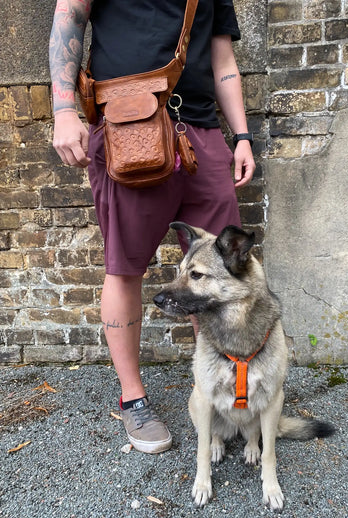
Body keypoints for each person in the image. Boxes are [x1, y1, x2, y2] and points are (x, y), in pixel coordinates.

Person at [49, 0, 256, 454]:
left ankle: (216, 392)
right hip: (128, 126)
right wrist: (64, 109)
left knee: (221, 270)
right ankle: (134, 399)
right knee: (125, 266)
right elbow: (69, 16)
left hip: (201, 135)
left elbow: (223, 62)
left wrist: (240, 136)